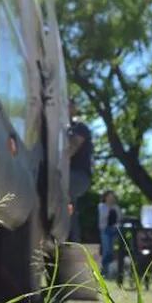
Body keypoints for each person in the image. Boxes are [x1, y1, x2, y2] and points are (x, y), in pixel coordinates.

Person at [66, 100, 93, 241]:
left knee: (62, 188)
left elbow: (71, 148)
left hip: (79, 176)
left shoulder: (79, 127)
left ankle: (71, 241)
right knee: (70, 206)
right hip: (67, 175)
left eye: (68, 105)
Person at [98, 191, 120, 276]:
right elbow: (102, 217)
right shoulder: (101, 206)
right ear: (105, 197)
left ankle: (109, 272)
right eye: (109, 197)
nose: (111, 199)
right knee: (106, 250)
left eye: (112, 197)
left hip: (114, 230)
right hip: (105, 230)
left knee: (112, 251)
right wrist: (109, 209)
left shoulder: (116, 207)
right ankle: (103, 271)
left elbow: (119, 218)